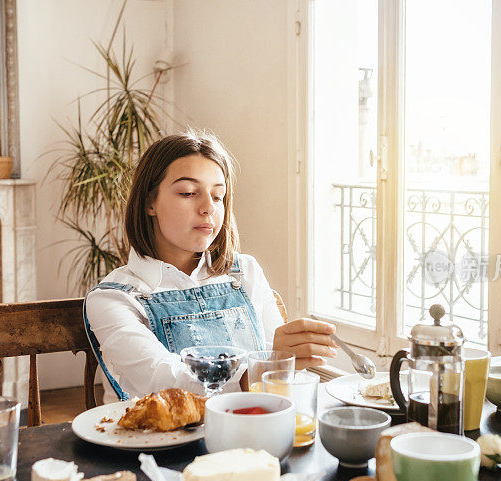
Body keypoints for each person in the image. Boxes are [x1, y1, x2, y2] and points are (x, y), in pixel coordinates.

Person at [84, 129, 337, 403]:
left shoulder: (245, 272)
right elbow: (165, 380)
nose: (208, 208)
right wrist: (264, 367)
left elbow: (275, 371)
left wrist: (289, 354)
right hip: (158, 442)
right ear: (149, 203)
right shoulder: (113, 298)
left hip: (249, 434)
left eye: (218, 196)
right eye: (188, 192)